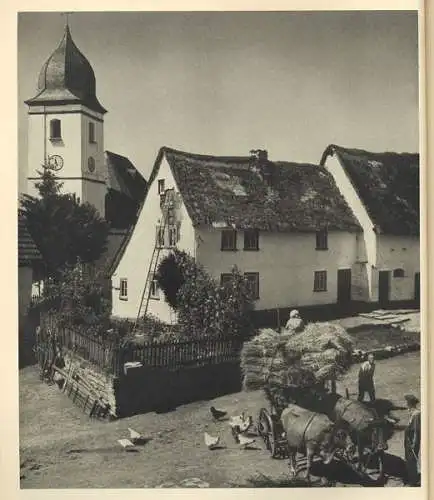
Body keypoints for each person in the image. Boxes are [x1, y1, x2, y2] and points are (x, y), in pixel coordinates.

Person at [404, 394, 421, 486]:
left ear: (411, 403)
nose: (406, 404)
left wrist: (414, 443)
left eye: (407, 402)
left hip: (412, 441)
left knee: (412, 460)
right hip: (408, 440)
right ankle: (411, 477)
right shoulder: (411, 412)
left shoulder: (416, 414)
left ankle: (413, 481)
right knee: (408, 459)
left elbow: (416, 431)